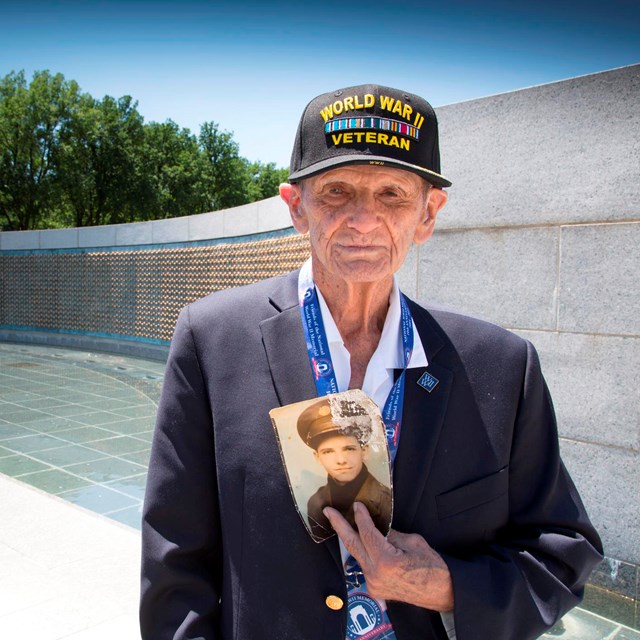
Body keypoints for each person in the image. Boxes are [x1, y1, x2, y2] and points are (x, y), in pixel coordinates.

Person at [140, 83, 602, 640]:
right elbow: (174, 561)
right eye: (335, 191)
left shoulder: (501, 367)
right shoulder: (212, 341)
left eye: (392, 194)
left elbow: (563, 554)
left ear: (428, 214)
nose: (363, 220)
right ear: (297, 208)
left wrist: (446, 584)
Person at [297, 395, 392, 541]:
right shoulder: (315, 502)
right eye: (328, 452)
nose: (341, 460)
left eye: (349, 449)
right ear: (317, 457)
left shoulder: (386, 500)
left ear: (364, 451)